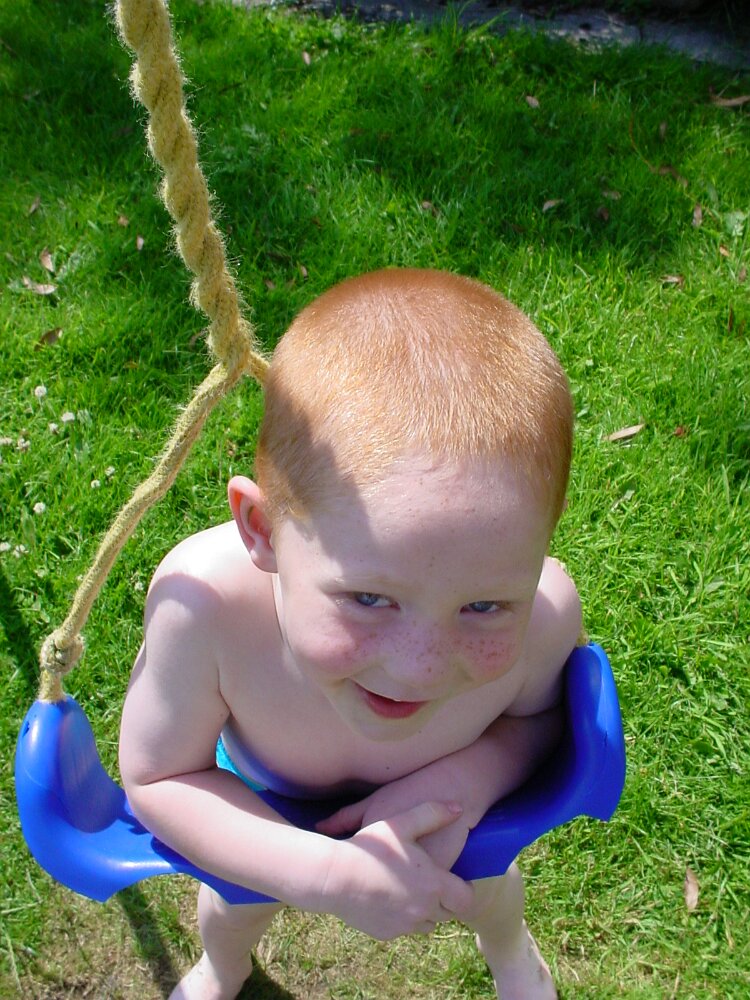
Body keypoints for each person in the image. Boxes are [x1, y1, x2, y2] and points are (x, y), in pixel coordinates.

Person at [119, 268, 581, 1000]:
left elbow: (541, 721)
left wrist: (463, 784)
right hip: (260, 799)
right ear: (261, 530)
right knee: (234, 907)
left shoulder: (546, 617)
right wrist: (324, 874)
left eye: (485, 606)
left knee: (491, 893)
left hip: (443, 819)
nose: (421, 669)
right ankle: (225, 968)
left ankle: (511, 953)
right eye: (368, 599)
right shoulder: (203, 608)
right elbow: (158, 776)